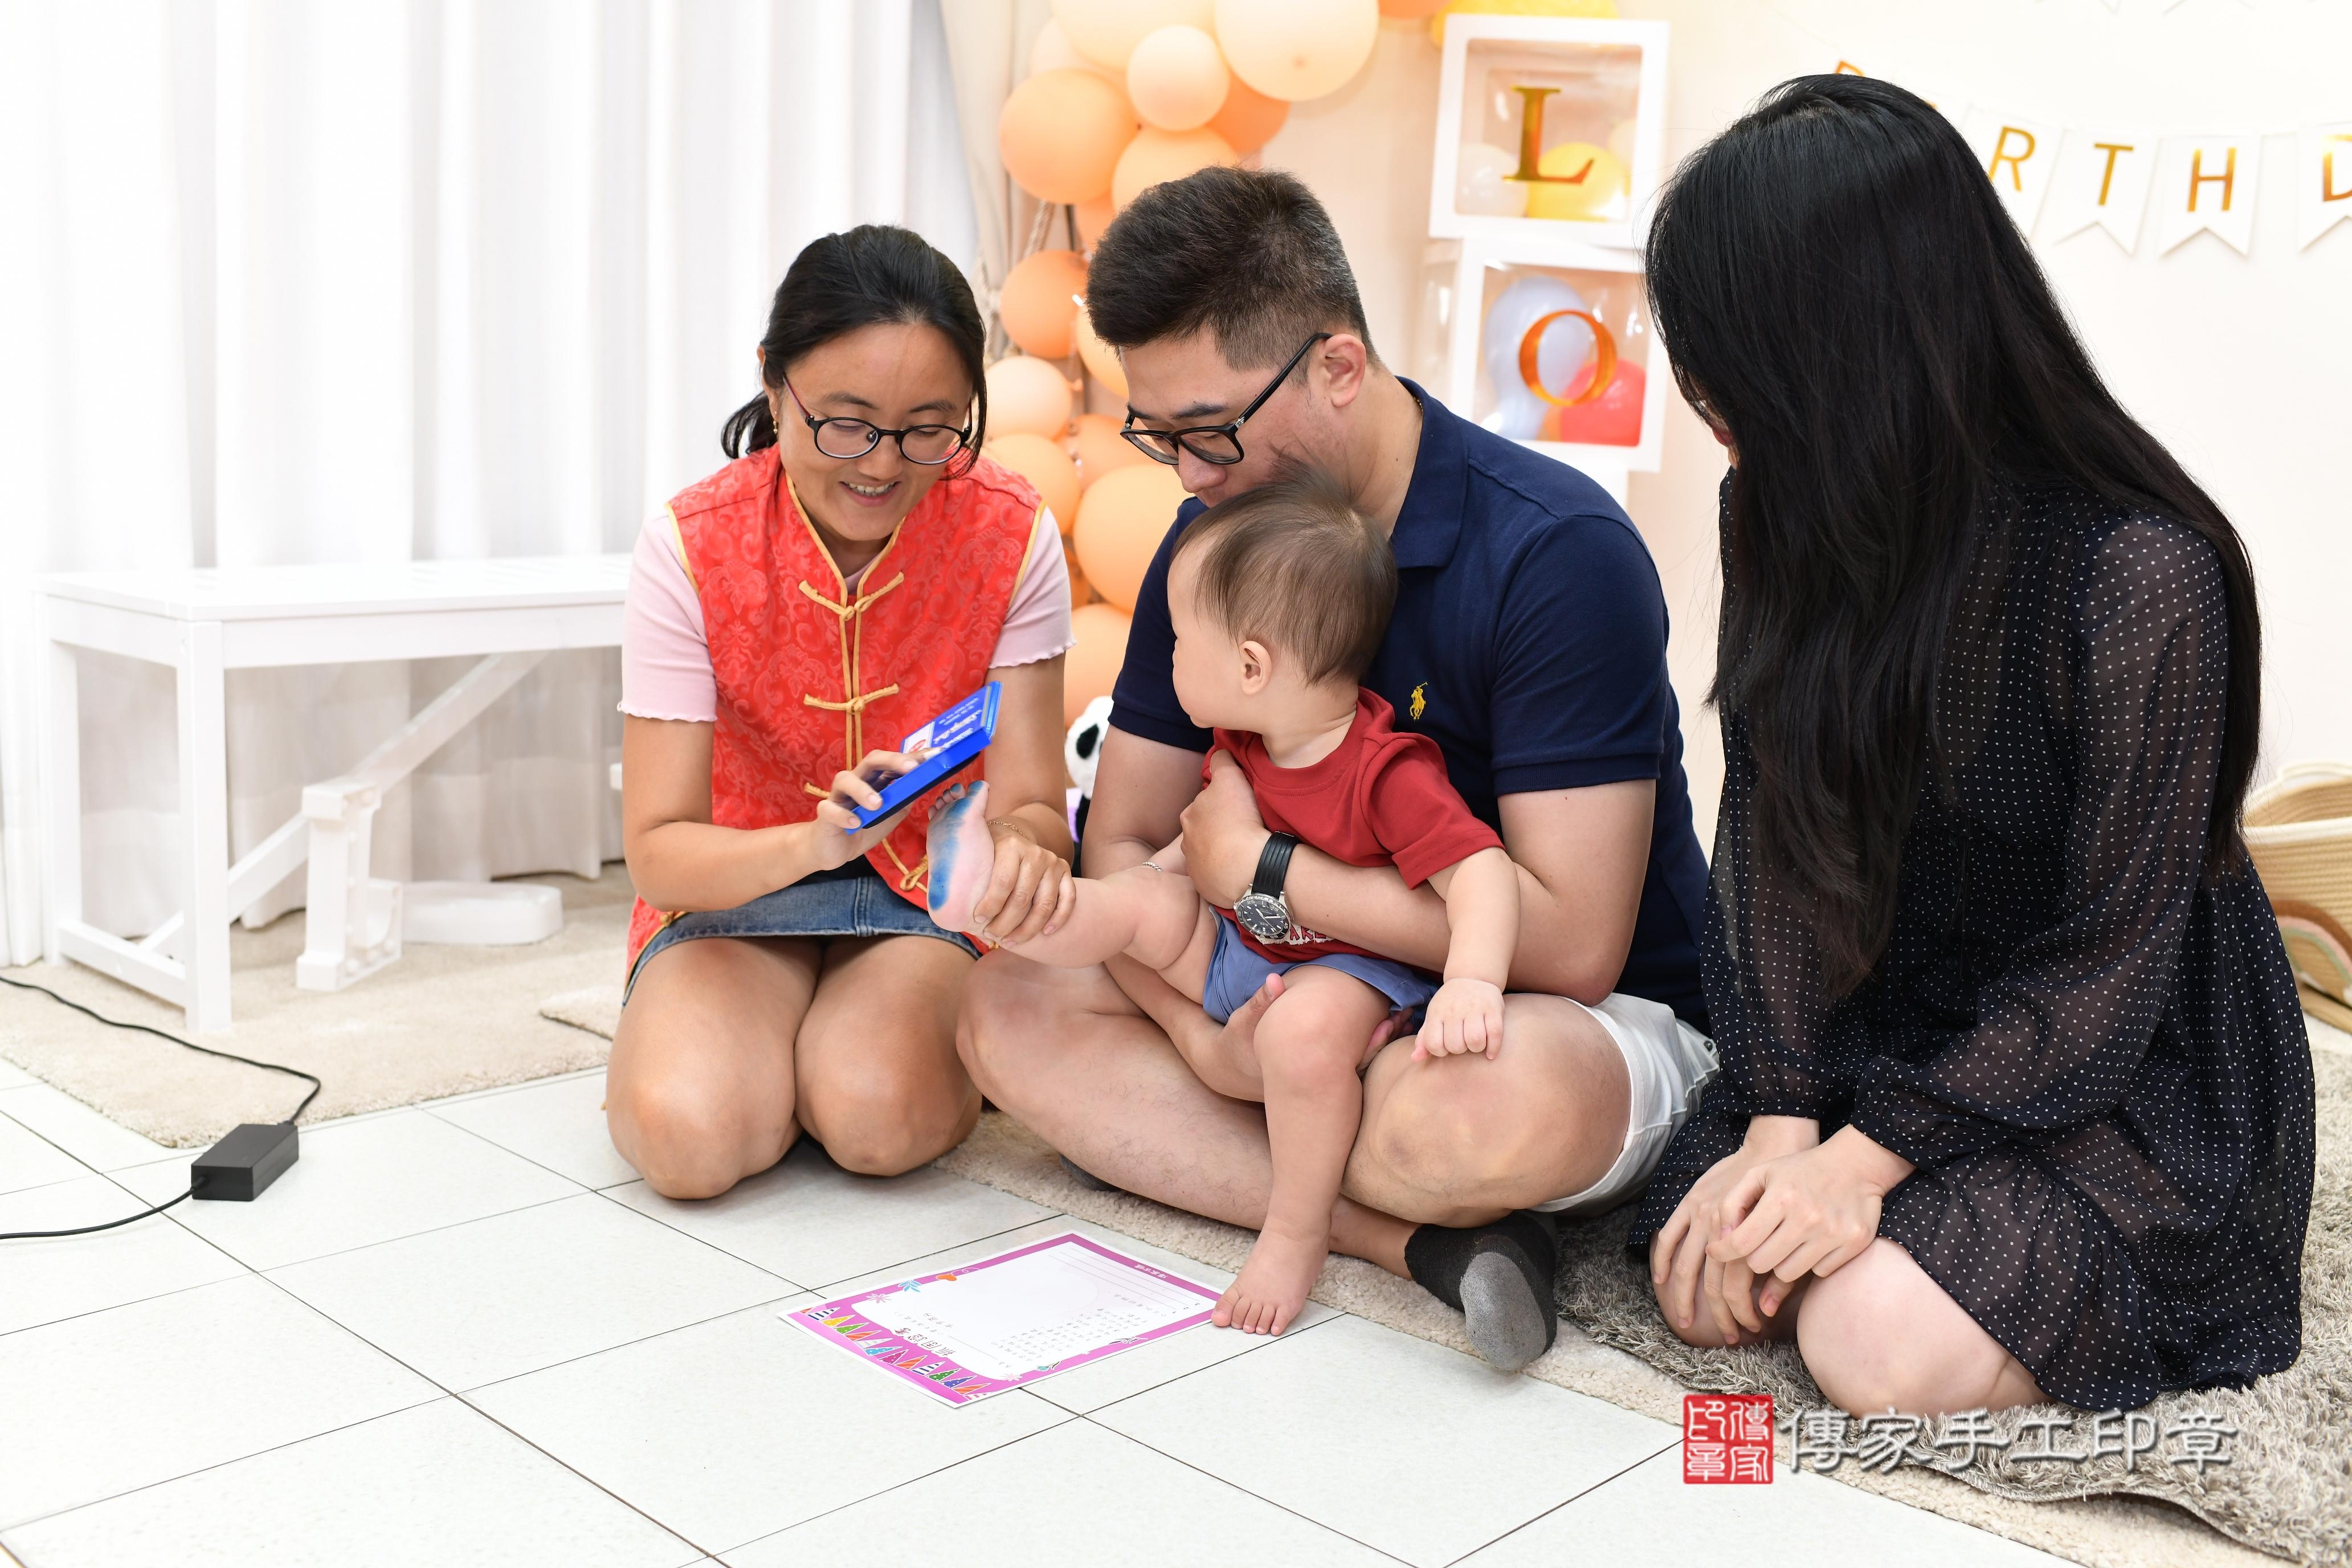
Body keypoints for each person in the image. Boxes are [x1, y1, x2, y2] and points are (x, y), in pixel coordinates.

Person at [957, 166, 1720, 1373]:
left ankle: (1367, 1168)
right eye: (1160, 436)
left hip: (1555, 1010)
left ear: (1339, 367)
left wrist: (1273, 871)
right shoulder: (1213, 543)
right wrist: (1205, 1036)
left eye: (1210, 431)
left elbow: (1576, 943)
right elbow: (1126, 839)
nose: (1189, 475)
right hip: (1278, 995)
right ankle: (1403, 1236)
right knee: (1005, 1006)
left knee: (1471, 1110)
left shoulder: (1553, 551)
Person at [1633, 75, 2316, 1415]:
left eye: (1731, 354)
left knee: (1869, 1343)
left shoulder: (2141, 573)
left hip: (2112, 1062)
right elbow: (1771, 828)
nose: (1702, 393)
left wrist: (1863, 1162)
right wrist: (1781, 1119)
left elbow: (2112, 966)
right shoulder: (1777, 506)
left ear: (1840, 348)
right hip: (1892, 1006)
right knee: (1708, 1276)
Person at [930, 469, 1519, 1336]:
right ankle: (990, 904)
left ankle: (1295, 1230)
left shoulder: (1387, 770)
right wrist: (1144, 895)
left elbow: (1483, 870)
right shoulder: (1242, 746)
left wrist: (1473, 980)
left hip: (1342, 969)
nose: (1164, 659)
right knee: (1136, 911)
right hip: (1242, 944)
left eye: (1177, 641)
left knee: (1302, 1033)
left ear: (1250, 665)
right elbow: (1192, 858)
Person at [608, 224, 1076, 1200]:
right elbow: (658, 850)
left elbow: (1035, 801)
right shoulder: (689, 544)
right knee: (687, 1140)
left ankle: (843, 1049)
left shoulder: (1011, 529)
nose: (883, 463)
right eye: (847, 422)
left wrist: (1030, 849)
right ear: (775, 385)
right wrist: (810, 847)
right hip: (733, 894)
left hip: (922, 904)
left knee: (877, 1115)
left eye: (927, 428)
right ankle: (768, 1047)